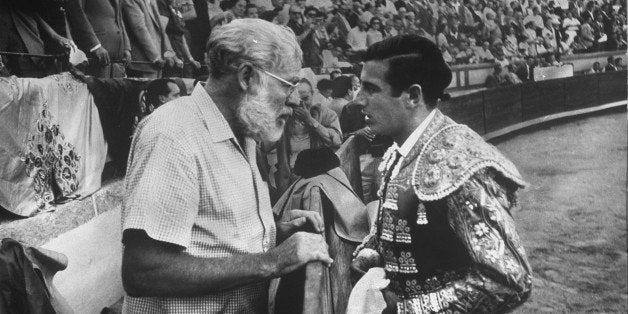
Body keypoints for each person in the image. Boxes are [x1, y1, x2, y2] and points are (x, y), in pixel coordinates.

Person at [121, 19, 332, 313]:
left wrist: (273, 232)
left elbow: (211, 236)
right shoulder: (173, 133)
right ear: (247, 76)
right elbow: (144, 271)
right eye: (289, 84)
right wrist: (272, 261)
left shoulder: (243, 128)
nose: (296, 99)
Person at [351, 34, 532, 313]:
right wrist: (372, 253)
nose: (357, 100)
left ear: (412, 96)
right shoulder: (396, 154)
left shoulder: (458, 163)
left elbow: (508, 279)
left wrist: (407, 310)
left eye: (370, 89)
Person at [264, 78, 343, 198]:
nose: (302, 104)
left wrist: (310, 121)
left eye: (306, 98)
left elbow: (336, 141)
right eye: (297, 101)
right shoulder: (283, 118)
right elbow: (262, 147)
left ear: (313, 94)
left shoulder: (326, 114)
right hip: (290, 182)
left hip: (320, 181)